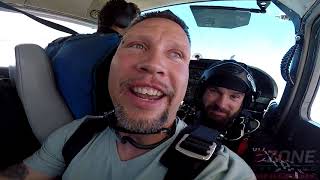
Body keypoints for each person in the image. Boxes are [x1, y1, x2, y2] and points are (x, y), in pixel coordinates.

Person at [0, 11, 256, 180]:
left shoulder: (223, 171)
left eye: (176, 54)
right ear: (110, 67)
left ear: (187, 82)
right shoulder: (76, 134)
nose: (154, 64)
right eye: (136, 46)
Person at [45, 0, 140, 119]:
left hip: (52, 117)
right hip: (90, 128)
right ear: (123, 21)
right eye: (136, 23)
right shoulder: (119, 49)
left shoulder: (60, 43)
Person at [194, 60, 259, 154]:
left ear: (245, 103)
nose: (221, 104)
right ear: (201, 93)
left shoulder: (255, 142)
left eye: (234, 96)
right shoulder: (176, 120)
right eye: (214, 91)